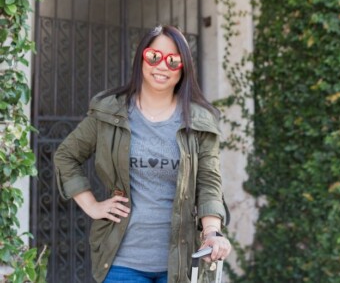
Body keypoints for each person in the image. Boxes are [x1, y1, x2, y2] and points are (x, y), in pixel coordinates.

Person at [54, 25, 231, 283]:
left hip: (179, 263)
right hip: (121, 262)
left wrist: (212, 232)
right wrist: (91, 205)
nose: (162, 66)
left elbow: (209, 183)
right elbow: (66, 155)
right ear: (141, 58)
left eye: (173, 61)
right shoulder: (109, 111)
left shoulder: (200, 121)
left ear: (183, 68)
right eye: (154, 56)